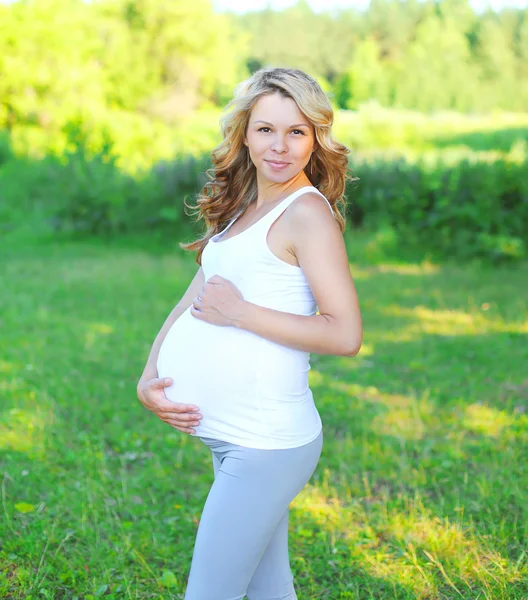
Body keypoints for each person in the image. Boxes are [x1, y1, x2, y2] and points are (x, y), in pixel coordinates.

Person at [136, 67, 362, 600]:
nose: (279, 147)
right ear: (244, 134)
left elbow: (345, 333)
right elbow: (196, 295)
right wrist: (151, 373)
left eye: (296, 132)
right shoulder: (244, 204)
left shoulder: (307, 214)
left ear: (315, 139)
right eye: (265, 130)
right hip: (234, 434)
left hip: (266, 441)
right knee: (268, 590)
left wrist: (243, 313)